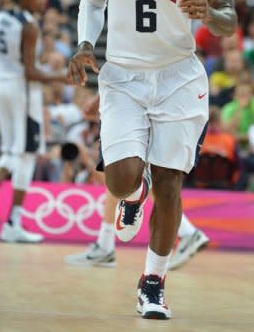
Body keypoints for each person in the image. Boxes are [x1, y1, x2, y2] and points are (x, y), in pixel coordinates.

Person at [67, 0, 237, 320]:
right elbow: (92, 1)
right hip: (123, 75)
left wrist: (210, 15)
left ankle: (153, 282)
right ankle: (132, 195)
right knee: (121, 180)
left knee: (170, 182)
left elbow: (229, 16)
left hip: (179, 77)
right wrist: (85, 44)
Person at [65, 96, 210, 270]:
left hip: (135, 102)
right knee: (122, 172)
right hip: (156, 102)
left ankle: (187, 232)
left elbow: (124, 68)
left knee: (126, 169)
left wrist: (99, 97)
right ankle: (105, 246)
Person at [0, 0, 67, 243]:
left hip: (1, 87)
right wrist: (63, 77)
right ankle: (11, 218)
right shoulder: (28, 25)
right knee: (25, 153)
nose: (42, 0)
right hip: (23, 93)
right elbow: (30, 71)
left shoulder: (0, 18)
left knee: (10, 150)